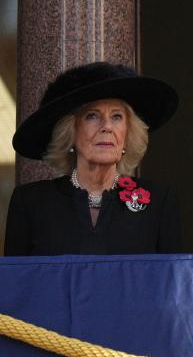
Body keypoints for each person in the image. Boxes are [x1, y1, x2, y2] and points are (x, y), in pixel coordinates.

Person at [5, 61, 181, 255]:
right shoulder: (31, 202)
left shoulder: (158, 201)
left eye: (117, 117)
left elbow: (172, 282)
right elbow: (15, 281)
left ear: (128, 133)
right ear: (70, 132)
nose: (107, 126)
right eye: (92, 116)